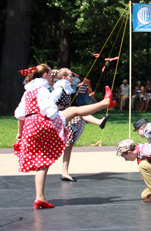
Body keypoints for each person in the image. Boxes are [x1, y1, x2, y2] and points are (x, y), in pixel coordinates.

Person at [14, 64, 116, 209]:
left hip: (30, 127)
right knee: (74, 110)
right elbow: (48, 110)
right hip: (41, 123)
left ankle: (40, 198)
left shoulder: (27, 92)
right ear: (44, 75)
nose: (51, 76)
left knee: (42, 164)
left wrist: (20, 133)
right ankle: (105, 103)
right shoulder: (41, 89)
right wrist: (56, 116)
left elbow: (20, 114)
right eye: (50, 74)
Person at [52, 68, 110, 182]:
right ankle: (99, 120)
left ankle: (64, 171)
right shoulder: (58, 89)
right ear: (64, 77)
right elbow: (51, 102)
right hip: (58, 118)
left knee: (69, 145)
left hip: (65, 117)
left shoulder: (66, 88)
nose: (73, 78)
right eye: (70, 76)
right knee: (77, 112)